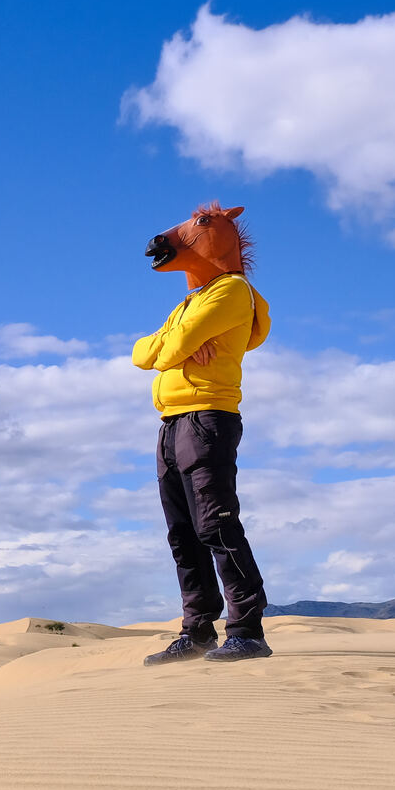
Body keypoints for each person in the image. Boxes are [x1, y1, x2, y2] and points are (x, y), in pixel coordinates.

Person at [131, 203, 272, 664]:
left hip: (207, 419)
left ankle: (247, 630)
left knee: (215, 523)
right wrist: (173, 347)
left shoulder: (230, 291)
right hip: (171, 425)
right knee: (183, 534)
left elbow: (167, 347)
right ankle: (197, 630)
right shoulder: (192, 301)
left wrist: (173, 348)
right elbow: (143, 352)